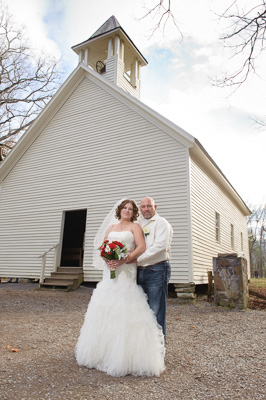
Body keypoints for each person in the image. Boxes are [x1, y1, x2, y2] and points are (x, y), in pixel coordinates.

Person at [75, 199, 165, 377]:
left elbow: (141, 247)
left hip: (127, 269)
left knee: (125, 306)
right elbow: (103, 247)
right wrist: (108, 259)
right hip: (110, 272)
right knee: (106, 306)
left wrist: (124, 259)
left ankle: (126, 355)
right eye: (125, 208)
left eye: (131, 209)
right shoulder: (111, 228)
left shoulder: (135, 227)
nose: (127, 211)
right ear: (119, 210)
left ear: (133, 213)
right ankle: (102, 352)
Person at [136, 197, 173, 337]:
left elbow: (160, 247)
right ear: (140, 208)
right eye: (143, 206)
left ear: (155, 207)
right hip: (138, 271)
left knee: (156, 310)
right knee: (140, 309)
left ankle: (158, 350)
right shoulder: (137, 223)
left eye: (149, 206)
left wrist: (136, 259)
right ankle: (145, 348)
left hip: (157, 270)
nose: (146, 209)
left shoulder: (161, 223)